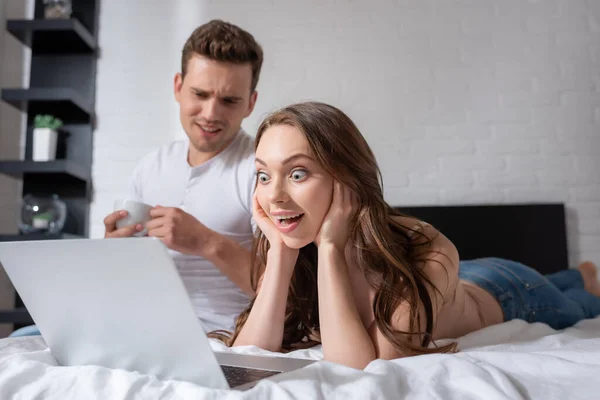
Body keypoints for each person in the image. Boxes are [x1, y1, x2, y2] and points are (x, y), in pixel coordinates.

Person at [209, 101, 600, 370]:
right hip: (463, 283)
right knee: (566, 279)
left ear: (346, 180)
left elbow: (359, 369)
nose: (274, 195)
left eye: (297, 174)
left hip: (510, 291)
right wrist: (279, 250)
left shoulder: (426, 248)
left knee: (580, 304)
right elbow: (248, 355)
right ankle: (578, 272)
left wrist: (330, 246)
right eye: (263, 175)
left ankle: (584, 277)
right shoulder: (292, 243)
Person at [10, 20, 264, 338]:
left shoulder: (261, 170)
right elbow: (126, 276)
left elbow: (289, 292)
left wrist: (205, 242)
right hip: (140, 325)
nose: (210, 113)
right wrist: (114, 253)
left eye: (229, 101)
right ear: (177, 87)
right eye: (199, 94)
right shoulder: (152, 165)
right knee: (23, 338)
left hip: (218, 334)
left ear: (251, 103)